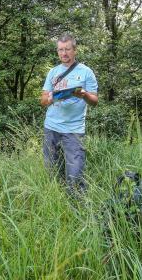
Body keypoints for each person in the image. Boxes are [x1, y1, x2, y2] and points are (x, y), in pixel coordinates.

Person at [40, 34, 98, 195]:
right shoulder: (53, 72)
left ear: (75, 50)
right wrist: (50, 98)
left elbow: (95, 101)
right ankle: (56, 201)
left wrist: (84, 95)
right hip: (51, 127)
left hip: (74, 129)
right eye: (60, 50)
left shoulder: (86, 72)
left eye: (67, 49)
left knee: (75, 173)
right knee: (51, 170)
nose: (63, 53)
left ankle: (77, 205)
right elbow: (43, 100)